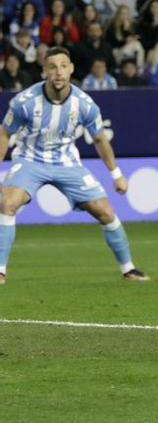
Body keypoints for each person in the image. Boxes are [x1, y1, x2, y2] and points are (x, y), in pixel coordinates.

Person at [0, 47, 149, 285]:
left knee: (105, 212)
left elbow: (100, 139)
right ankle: (0, 271)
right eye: (52, 67)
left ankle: (129, 269)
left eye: (63, 66)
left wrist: (117, 174)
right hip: (30, 160)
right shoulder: (24, 102)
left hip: (67, 163)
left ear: (71, 69)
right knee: (7, 203)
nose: (58, 72)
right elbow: (4, 134)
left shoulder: (85, 104)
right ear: (44, 71)